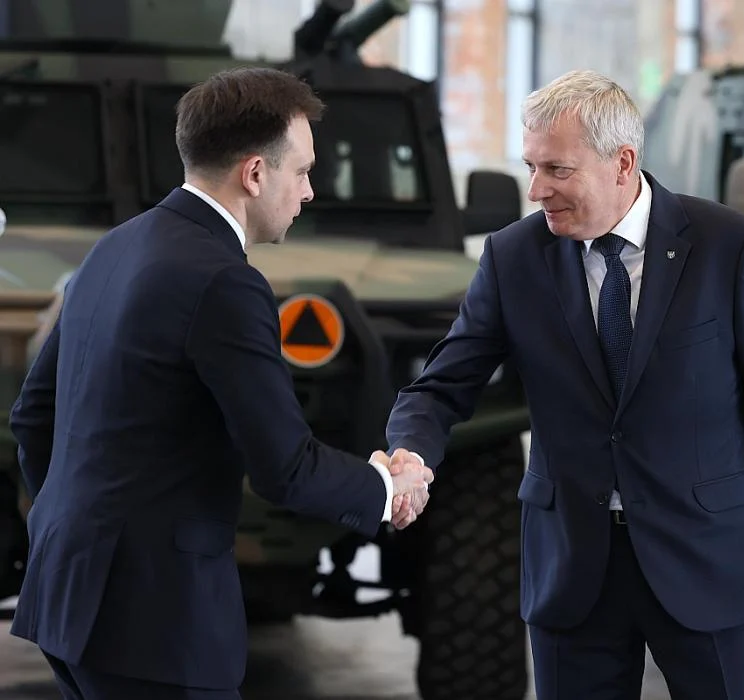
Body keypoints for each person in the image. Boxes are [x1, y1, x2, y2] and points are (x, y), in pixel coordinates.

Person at [383, 70, 744, 699]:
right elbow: (440, 387)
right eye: (531, 167)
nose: (536, 190)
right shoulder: (513, 258)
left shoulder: (729, 245)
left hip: (710, 561)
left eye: (557, 170)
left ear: (623, 163)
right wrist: (410, 452)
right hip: (573, 569)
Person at [7, 66, 431, 700]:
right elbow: (284, 468)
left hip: (69, 601)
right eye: (302, 172)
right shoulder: (225, 281)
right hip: (156, 624)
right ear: (255, 174)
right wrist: (386, 487)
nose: (309, 192)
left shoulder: (115, 247)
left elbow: (33, 414)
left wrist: (77, 531)